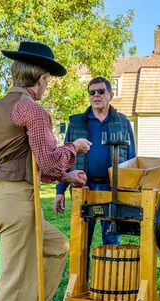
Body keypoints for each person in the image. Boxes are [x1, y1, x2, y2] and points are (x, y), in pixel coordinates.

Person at [0, 41, 91, 301]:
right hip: (17, 205)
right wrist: (74, 148)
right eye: (48, 81)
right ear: (40, 79)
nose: (47, 86)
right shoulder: (33, 110)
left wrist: (66, 178)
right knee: (13, 283)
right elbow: (50, 162)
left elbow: (22, 161)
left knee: (56, 246)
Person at [53, 77, 136, 251]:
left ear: (110, 95)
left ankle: (110, 277)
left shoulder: (122, 122)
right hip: (83, 187)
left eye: (100, 91)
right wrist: (60, 191)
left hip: (112, 188)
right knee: (81, 241)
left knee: (112, 241)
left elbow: (131, 159)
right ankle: (81, 279)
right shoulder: (76, 123)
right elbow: (65, 158)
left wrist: (131, 191)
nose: (96, 95)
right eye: (92, 92)